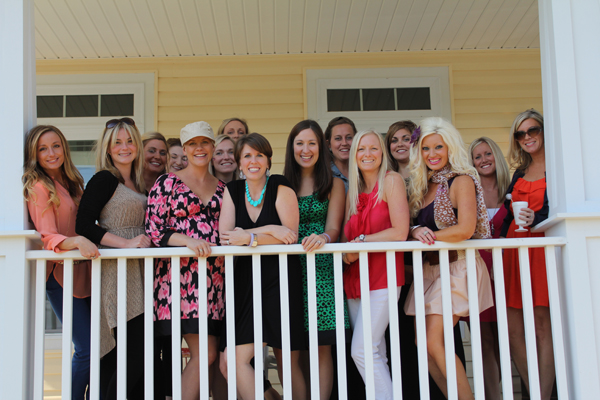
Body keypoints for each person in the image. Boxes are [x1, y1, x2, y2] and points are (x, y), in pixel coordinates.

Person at [404, 117, 493, 400]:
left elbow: (465, 229)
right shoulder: (423, 186)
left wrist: (426, 234)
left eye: (438, 147)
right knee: (424, 343)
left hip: (456, 266)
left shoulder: (461, 180)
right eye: (426, 149)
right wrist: (416, 230)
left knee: (434, 340)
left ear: (450, 148)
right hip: (429, 270)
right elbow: (410, 227)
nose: (432, 155)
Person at [219, 133, 307, 400]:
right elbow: (226, 238)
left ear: (268, 160)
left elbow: (290, 236)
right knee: (233, 361)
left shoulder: (280, 186)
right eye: (247, 156)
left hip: (281, 281)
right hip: (246, 285)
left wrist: (248, 236)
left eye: (259, 155)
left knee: (286, 365)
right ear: (239, 162)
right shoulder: (232, 191)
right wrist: (269, 230)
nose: (253, 161)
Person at [146, 121, 225, 400]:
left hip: (215, 283)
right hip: (178, 281)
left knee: (209, 355)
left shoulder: (223, 188)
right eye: (192, 144)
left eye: (204, 142)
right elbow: (154, 228)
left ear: (213, 147)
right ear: (184, 149)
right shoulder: (166, 183)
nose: (199, 148)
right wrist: (187, 240)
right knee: (206, 353)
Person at [76, 117, 151, 400]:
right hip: (117, 272)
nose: (124, 147)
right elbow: (83, 225)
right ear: (107, 149)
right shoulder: (104, 179)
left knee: (131, 353)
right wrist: (126, 243)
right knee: (132, 352)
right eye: (117, 142)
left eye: (129, 140)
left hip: (140, 271)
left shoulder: (139, 181)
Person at [23, 125, 100, 400]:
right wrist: (77, 242)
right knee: (87, 348)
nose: (51, 153)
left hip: (88, 273)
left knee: (102, 346)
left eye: (55, 146)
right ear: (35, 155)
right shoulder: (38, 185)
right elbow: (47, 234)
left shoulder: (73, 182)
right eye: (43, 149)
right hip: (60, 276)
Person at [283, 120, 350, 400]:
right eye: (300, 143)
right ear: (292, 147)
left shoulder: (334, 183)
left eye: (312, 143)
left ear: (321, 147)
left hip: (322, 270)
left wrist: (323, 237)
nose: (306, 149)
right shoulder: (282, 184)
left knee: (322, 345)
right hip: (288, 269)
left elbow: (334, 227)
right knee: (293, 346)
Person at [341, 129, 409, 400]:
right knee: (375, 351)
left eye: (373, 148)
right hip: (355, 279)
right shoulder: (354, 190)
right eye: (361, 149)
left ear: (382, 153)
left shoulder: (391, 181)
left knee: (362, 350)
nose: (367, 154)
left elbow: (400, 231)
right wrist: (350, 251)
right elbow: (347, 241)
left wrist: (360, 242)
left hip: (384, 277)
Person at [500, 109, 553, 399]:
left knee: (542, 326)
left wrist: (539, 216)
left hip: (540, 251)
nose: (527, 137)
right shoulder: (519, 173)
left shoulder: (559, 168)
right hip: (513, 252)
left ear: (545, 131)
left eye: (533, 130)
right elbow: (508, 216)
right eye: (520, 134)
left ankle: (543, 396)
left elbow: (555, 210)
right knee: (512, 329)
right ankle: (535, 392)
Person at [467, 137, 510, 400]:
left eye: (487, 154)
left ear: (496, 156)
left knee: (508, 340)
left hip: (508, 274)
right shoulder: (470, 190)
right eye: (477, 156)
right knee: (483, 342)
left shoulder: (512, 187)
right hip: (479, 273)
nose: (483, 160)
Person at [324, 117, 357, 193]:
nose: (344, 143)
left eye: (349, 137)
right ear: (328, 144)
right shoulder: (324, 174)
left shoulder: (364, 170)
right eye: (338, 138)